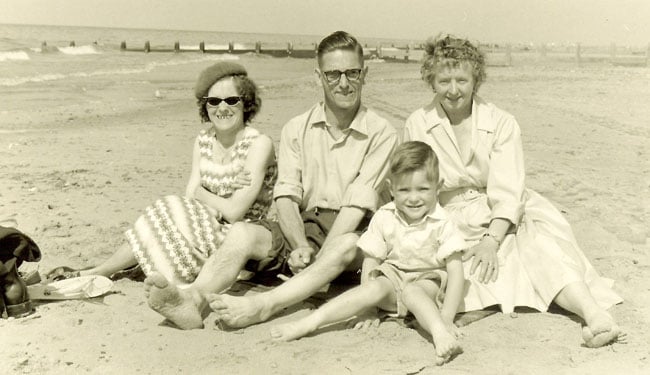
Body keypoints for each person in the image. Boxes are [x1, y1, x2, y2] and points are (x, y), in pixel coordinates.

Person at [403, 34, 625, 348]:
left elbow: (508, 190)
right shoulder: (418, 123)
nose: (453, 90)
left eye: (462, 80)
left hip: (503, 212)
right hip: (448, 215)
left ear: (476, 79)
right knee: (450, 269)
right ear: (431, 80)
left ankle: (594, 316)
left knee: (540, 246)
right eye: (444, 80)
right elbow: (416, 185)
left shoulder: (501, 122)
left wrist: (492, 239)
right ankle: (482, 304)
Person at [46, 61, 278, 329]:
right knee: (163, 212)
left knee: (166, 207)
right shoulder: (203, 141)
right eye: (214, 101)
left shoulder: (259, 144)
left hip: (239, 243)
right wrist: (212, 197)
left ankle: (105, 272)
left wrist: (204, 193)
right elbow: (190, 194)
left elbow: (234, 211)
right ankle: (101, 271)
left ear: (246, 103)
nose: (222, 108)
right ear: (205, 106)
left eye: (231, 100)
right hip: (207, 228)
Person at [207, 31, 400, 328]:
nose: (344, 83)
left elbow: (356, 208)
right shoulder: (296, 128)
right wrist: (299, 246)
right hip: (304, 228)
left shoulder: (382, 132)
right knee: (242, 233)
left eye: (352, 72)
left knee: (346, 243)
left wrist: (318, 257)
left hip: (355, 235)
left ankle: (263, 305)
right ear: (318, 77)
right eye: (333, 74)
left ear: (365, 74)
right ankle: (194, 299)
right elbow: (286, 196)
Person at [270, 141, 466, 365]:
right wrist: (368, 310)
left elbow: (456, 270)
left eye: (423, 189)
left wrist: (448, 317)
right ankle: (309, 323)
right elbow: (372, 262)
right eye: (404, 190)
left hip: (427, 280)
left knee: (413, 291)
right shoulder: (385, 216)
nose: (413, 198)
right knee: (372, 287)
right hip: (393, 278)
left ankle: (440, 332)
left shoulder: (443, 222)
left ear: (438, 187)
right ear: (391, 189)